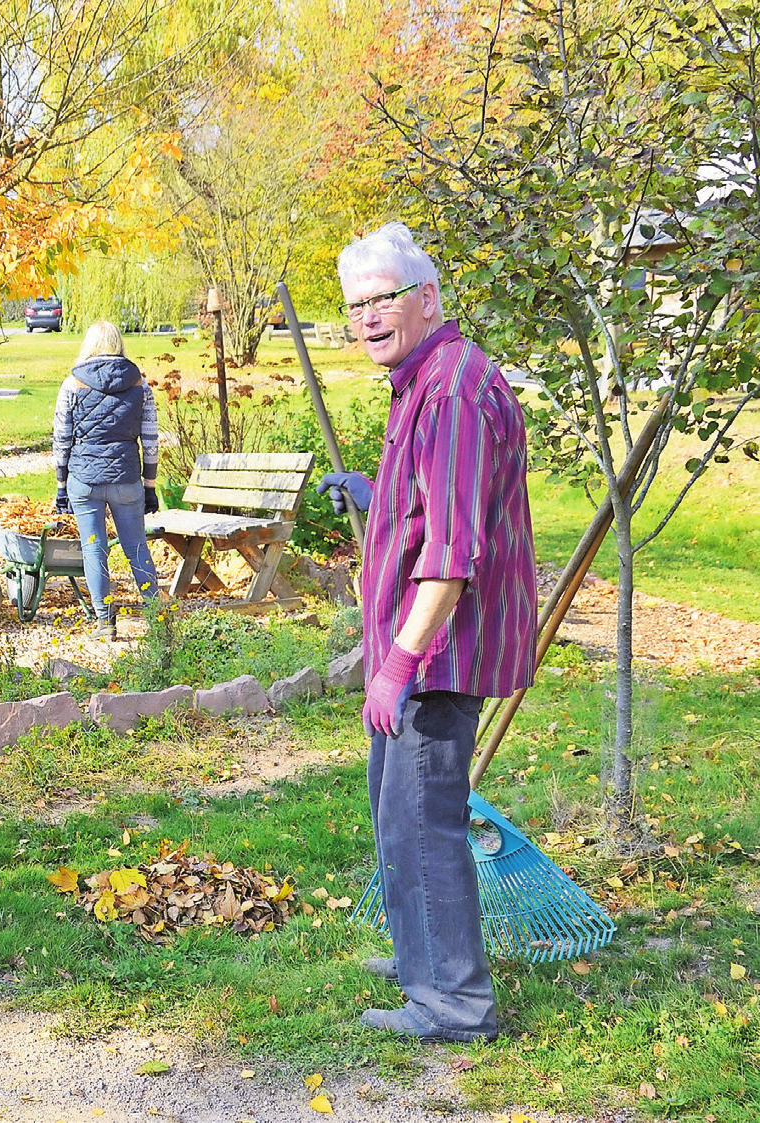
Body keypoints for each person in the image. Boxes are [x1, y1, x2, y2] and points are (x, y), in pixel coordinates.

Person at [319, 222, 536, 1043]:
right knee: (394, 812)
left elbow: (451, 555)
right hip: (419, 647)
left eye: (382, 299)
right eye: (354, 307)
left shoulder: (447, 389)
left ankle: (452, 1000)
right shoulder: (425, 379)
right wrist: (374, 495)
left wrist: (396, 663)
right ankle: (422, 954)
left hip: (437, 653)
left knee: (422, 818)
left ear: (427, 298)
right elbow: (431, 505)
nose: (368, 317)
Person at [51, 320, 160, 640]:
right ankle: (157, 618)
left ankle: (104, 623)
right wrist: (149, 484)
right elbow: (151, 440)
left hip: (84, 481)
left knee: (94, 550)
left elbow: (61, 438)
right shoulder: (140, 384)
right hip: (127, 479)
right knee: (136, 548)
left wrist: (61, 484)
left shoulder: (73, 383)